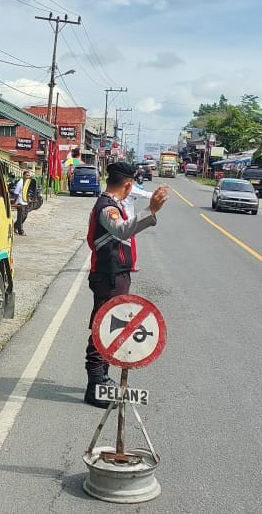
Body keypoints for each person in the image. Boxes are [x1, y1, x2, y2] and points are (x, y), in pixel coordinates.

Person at [84, 162, 168, 408]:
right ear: (129, 185)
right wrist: (151, 210)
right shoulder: (107, 207)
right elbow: (121, 231)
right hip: (108, 276)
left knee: (112, 329)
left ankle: (103, 378)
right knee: (104, 328)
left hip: (116, 274)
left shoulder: (114, 205)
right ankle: (95, 384)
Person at [13, 170, 34, 236]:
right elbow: (16, 192)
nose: (28, 177)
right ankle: (20, 231)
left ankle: (15, 226)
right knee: (20, 217)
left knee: (24, 216)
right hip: (20, 202)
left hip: (26, 202)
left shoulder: (28, 183)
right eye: (27, 175)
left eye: (29, 175)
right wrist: (15, 201)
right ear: (23, 175)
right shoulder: (20, 182)